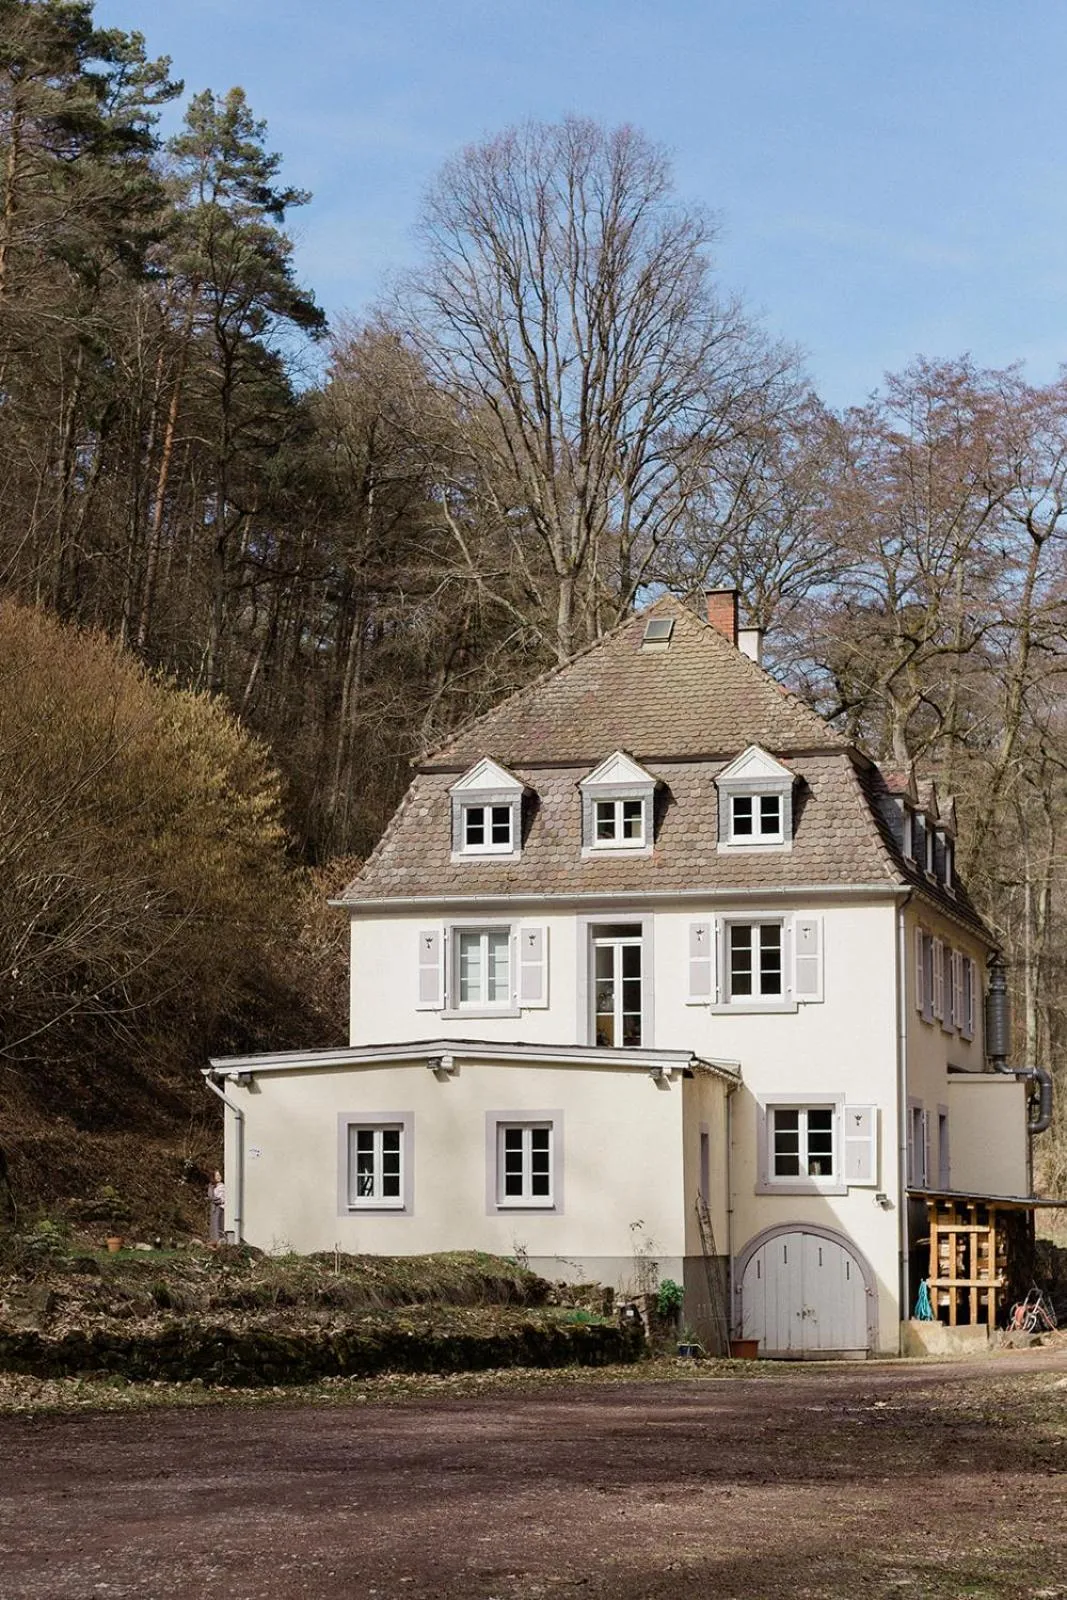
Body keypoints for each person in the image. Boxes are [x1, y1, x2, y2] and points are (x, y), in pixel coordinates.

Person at [207, 1169, 226, 1245]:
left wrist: (221, 1200)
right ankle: (214, 1241)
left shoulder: (223, 1186)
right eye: (216, 1175)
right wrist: (218, 1200)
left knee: (220, 1224)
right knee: (214, 1225)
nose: (219, 1177)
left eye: (219, 1175)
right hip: (215, 1208)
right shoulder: (211, 1186)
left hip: (222, 1208)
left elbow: (224, 1197)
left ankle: (220, 1242)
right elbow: (211, 1197)